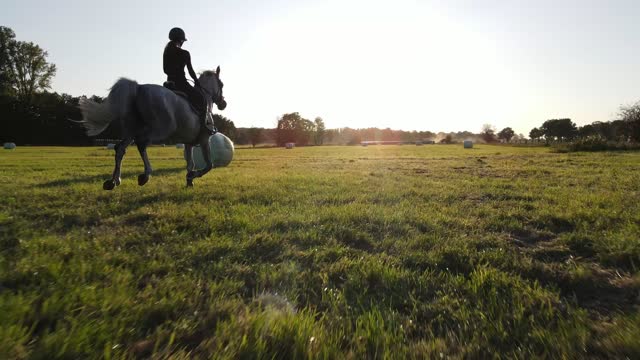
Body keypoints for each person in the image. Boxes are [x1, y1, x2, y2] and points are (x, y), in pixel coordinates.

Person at [163, 27, 214, 135]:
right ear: (181, 40)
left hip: (168, 84)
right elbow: (190, 71)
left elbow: (165, 70)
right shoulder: (185, 53)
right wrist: (197, 82)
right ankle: (204, 128)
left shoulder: (166, 51)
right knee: (202, 100)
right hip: (181, 84)